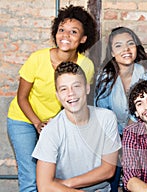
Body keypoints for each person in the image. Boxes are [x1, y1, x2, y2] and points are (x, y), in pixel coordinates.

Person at [7, 5, 96, 192]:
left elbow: (76, 103)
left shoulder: (86, 66)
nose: (65, 35)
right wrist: (38, 124)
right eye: (61, 30)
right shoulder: (37, 59)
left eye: (73, 32)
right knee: (30, 176)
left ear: (83, 39)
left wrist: (55, 123)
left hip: (56, 122)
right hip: (23, 119)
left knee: (55, 177)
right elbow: (22, 97)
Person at [32, 62, 121, 192]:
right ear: (57, 96)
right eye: (64, 89)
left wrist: (66, 184)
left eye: (76, 86)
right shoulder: (51, 131)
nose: (71, 93)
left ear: (87, 88)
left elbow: (108, 170)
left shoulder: (107, 118)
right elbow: (44, 186)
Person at [94, 26, 147, 191]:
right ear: (112, 52)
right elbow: (102, 113)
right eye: (119, 45)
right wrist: (117, 141)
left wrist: (129, 135)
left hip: (142, 133)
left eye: (130, 44)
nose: (126, 49)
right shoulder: (105, 77)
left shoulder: (146, 74)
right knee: (111, 167)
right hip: (112, 135)